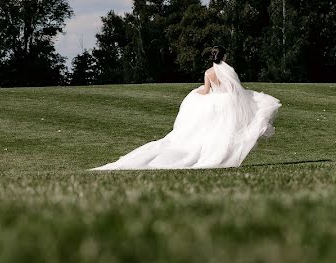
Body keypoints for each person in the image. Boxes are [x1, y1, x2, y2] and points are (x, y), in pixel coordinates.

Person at [91, 46, 281, 170]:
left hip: (214, 102)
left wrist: (196, 93)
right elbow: (235, 89)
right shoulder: (228, 71)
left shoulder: (208, 72)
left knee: (210, 132)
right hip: (227, 102)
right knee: (223, 132)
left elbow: (206, 91)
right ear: (224, 57)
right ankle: (222, 156)